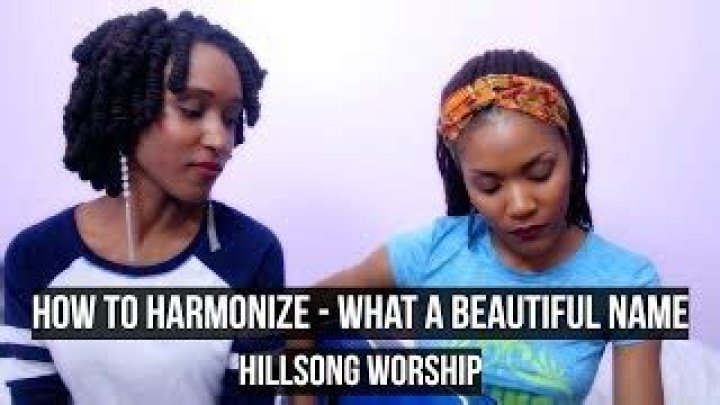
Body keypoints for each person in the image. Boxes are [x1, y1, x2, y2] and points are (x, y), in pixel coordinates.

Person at [316, 49, 663, 404]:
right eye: (489, 186)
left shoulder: (628, 281)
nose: (521, 205)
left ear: (570, 152)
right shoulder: (431, 250)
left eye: (540, 173)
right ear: (463, 180)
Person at [2, 8, 283, 404]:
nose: (220, 139)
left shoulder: (251, 252)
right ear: (129, 109)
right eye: (192, 109)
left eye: (231, 117)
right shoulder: (37, 257)